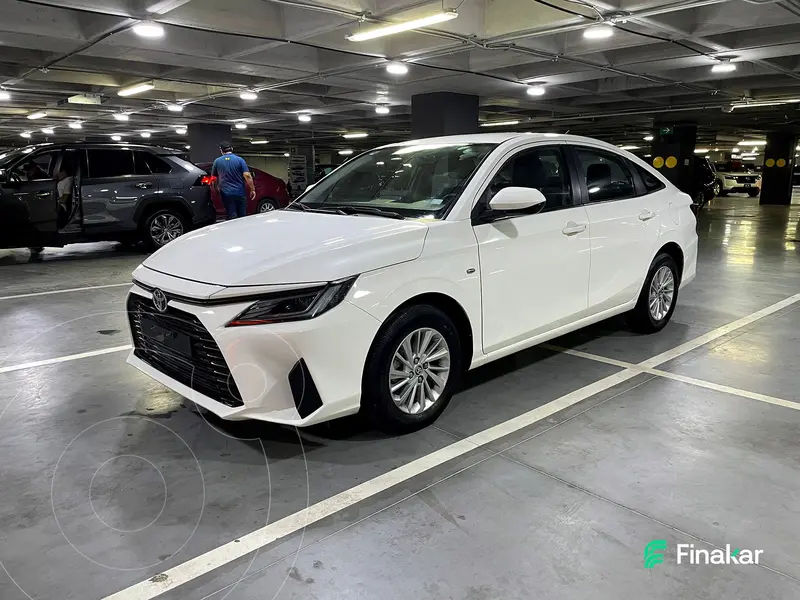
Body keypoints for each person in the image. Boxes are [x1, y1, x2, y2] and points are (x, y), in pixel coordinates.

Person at [211, 141, 255, 219]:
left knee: (231, 216)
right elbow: (247, 175)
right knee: (242, 216)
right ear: (232, 149)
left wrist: (216, 188)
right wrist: (252, 189)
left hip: (226, 193)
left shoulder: (217, 161)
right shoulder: (240, 160)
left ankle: (233, 230)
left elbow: (214, 178)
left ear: (221, 150)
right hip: (240, 192)